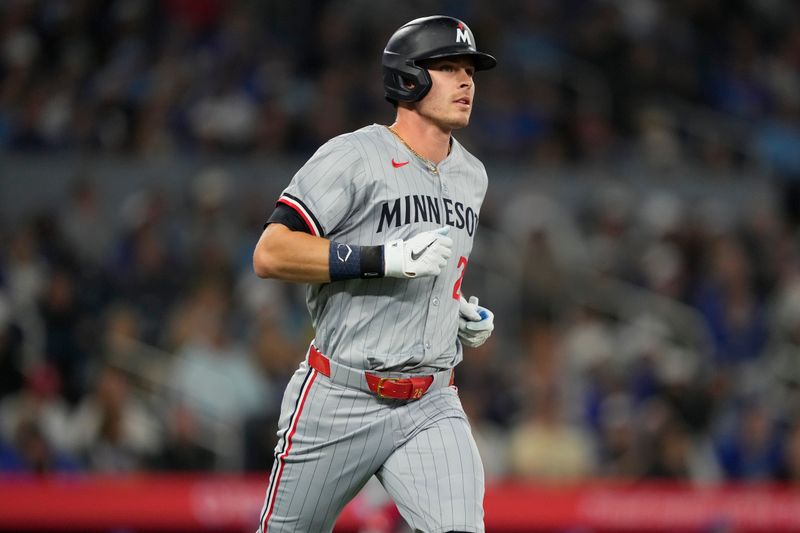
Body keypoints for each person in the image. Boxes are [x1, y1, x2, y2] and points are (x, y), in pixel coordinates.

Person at [252, 16, 496, 533]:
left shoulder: (472, 175)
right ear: (408, 78)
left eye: (469, 70)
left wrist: (455, 314)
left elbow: (432, 273)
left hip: (431, 400)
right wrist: (383, 258)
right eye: (449, 67)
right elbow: (271, 253)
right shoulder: (354, 156)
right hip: (342, 395)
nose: (466, 81)